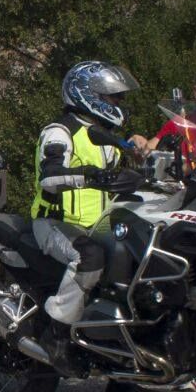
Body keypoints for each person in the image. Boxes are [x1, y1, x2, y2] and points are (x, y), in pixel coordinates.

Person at [31, 61, 140, 326]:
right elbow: (50, 176)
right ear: (89, 95)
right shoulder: (59, 131)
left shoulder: (106, 136)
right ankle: (57, 329)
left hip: (96, 225)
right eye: (113, 97)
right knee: (89, 258)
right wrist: (89, 175)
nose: (119, 103)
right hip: (55, 223)